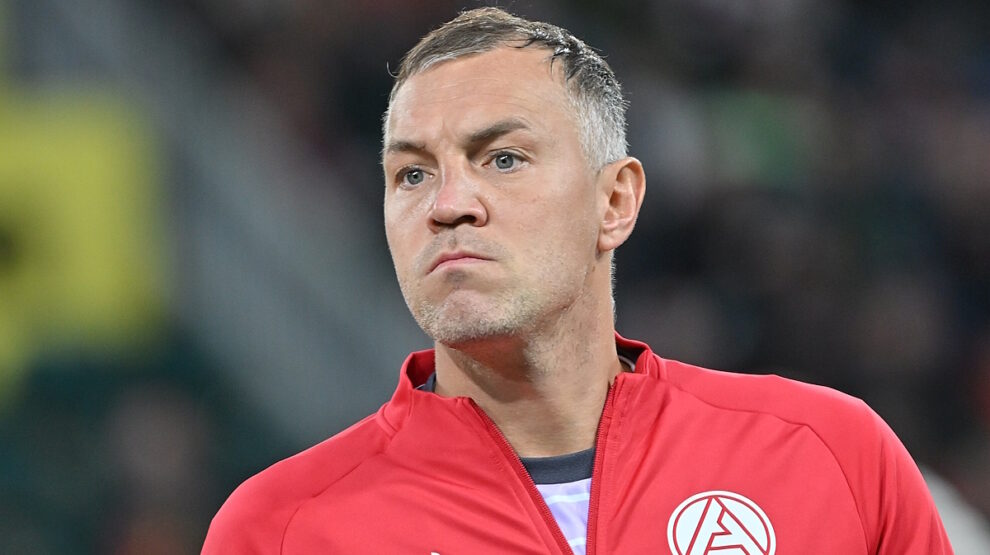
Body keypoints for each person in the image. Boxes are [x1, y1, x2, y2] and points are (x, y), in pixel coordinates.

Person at [202, 7, 953, 554]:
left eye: (503, 158)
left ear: (615, 200)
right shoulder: (280, 529)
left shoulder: (829, 456)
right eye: (412, 173)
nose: (448, 204)